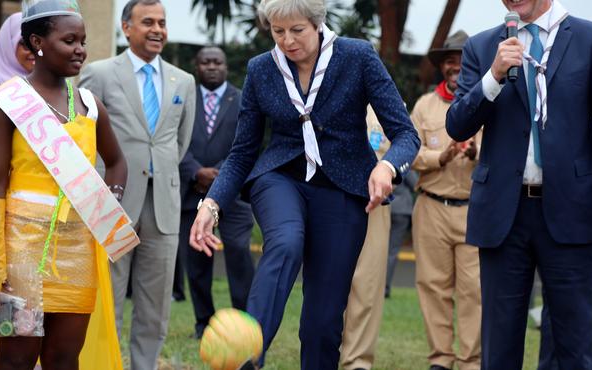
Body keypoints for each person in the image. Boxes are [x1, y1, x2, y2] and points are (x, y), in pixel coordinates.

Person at [189, 0, 419, 368]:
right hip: (280, 178)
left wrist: (387, 167)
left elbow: (406, 134)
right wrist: (211, 205)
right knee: (285, 242)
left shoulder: (357, 56)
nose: (286, 41)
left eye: (296, 31)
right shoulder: (261, 69)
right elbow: (243, 153)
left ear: (318, 24)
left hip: (344, 190)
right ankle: (247, 353)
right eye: (278, 32)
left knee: (323, 321)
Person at [446, 0, 592, 368]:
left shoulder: (591, 38)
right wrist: (494, 76)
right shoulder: (483, 47)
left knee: (578, 345)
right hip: (503, 214)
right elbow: (457, 125)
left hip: (574, 209)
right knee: (499, 346)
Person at [0, 1, 128, 369]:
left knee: (64, 360)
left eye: (83, 40)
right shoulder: (6, 104)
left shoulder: (90, 105)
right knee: (14, 360)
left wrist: (108, 202)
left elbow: (117, 163)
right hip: (20, 254)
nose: (80, 49)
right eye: (69, 40)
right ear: (36, 42)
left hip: (77, 251)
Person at [78, 0, 196, 368]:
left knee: (155, 303)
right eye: (148, 22)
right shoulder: (98, 73)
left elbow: (179, 143)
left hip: (163, 206)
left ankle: (144, 364)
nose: (157, 29)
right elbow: (81, 136)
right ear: (126, 28)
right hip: (111, 204)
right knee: (106, 297)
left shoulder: (184, 81)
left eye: (162, 22)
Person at [411, 30, 481, 370]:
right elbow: (408, 151)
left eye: (463, 60)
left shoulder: (487, 101)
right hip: (431, 205)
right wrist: (441, 156)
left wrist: (476, 151)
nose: (456, 66)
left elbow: (505, 149)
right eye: (449, 61)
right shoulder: (425, 105)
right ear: (442, 67)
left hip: (474, 208)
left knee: (474, 290)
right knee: (432, 286)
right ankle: (440, 358)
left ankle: (470, 361)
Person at [178, 45, 255, 339]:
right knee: (196, 261)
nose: (212, 67)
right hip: (191, 189)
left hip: (234, 194)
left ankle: (244, 323)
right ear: (196, 67)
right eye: (205, 62)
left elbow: (249, 142)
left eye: (217, 62)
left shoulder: (243, 98)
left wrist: (221, 175)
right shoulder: (185, 99)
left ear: (226, 66)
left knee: (238, 254)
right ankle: (203, 324)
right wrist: (196, 171)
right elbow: (172, 139)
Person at [340, 106, 392, 370]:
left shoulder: (385, 103)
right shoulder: (321, 90)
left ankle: (357, 362)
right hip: (330, 199)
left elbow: (407, 145)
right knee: (328, 284)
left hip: (374, 205)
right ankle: (324, 353)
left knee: (367, 286)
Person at [0, 12, 35, 194]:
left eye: (38, 43)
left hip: (30, 194)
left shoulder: (47, 87)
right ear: (8, 45)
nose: (33, 52)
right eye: (25, 44)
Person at [384, 170, 417, 298]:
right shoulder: (402, 157)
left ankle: (375, 286)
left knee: (379, 250)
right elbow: (415, 184)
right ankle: (384, 288)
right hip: (401, 210)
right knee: (392, 251)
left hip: (384, 205)